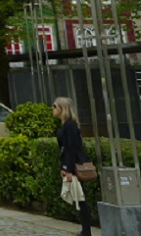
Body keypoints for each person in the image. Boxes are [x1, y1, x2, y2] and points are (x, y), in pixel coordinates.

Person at [54, 97, 92, 236]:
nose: (53, 109)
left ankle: (86, 231)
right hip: (71, 163)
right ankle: (85, 230)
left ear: (62, 109)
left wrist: (68, 169)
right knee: (79, 198)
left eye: (55, 106)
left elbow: (71, 149)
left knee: (81, 198)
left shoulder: (70, 126)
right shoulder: (67, 125)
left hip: (75, 165)